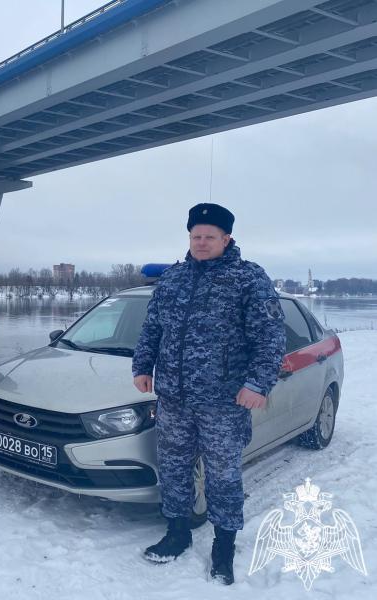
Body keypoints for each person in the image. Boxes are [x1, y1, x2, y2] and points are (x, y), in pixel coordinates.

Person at [132, 203, 285, 585]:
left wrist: (257, 384)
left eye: (209, 236)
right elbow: (152, 327)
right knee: (174, 468)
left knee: (223, 476)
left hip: (223, 402)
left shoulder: (248, 279)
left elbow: (269, 338)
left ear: (226, 238)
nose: (201, 242)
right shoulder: (174, 279)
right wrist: (141, 366)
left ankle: (223, 545)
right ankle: (178, 532)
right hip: (174, 399)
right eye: (195, 236)